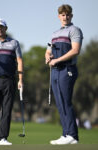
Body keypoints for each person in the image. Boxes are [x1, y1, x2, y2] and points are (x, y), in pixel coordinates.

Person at [45, 4, 83, 145]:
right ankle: (66, 134)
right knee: (60, 103)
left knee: (66, 102)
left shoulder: (75, 30)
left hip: (67, 69)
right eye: (62, 14)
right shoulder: (54, 34)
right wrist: (48, 57)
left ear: (71, 16)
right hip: (55, 71)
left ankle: (72, 135)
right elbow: (48, 50)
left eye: (67, 14)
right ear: (59, 16)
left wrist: (57, 60)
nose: (65, 17)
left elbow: (75, 50)